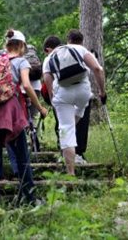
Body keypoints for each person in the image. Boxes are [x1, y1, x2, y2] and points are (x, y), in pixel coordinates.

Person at [0, 29, 48, 207]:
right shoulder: (21, 61)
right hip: (10, 113)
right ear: (22, 45)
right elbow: (26, 85)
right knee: (22, 156)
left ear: (6, 45)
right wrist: (40, 107)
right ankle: (30, 198)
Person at [43, 29, 106, 175]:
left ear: (67, 40)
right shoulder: (80, 49)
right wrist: (102, 91)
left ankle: (70, 173)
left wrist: (52, 97)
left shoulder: (50, 56)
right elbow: (97, 68)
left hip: (63, 92)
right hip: (83, 91)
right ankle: (75, 134)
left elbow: (47, 78)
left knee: (66, 129)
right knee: (79, 111)